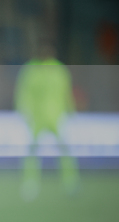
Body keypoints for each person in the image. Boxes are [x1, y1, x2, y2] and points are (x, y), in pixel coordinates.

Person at [14, 41, 79, 201]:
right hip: (36, 117)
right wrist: (24, 111)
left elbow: (66, 92)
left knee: (65, 151)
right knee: (32, 152)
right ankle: (30, 183)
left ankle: (70, 182)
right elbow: (23, 92)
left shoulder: (59, 70)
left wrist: (71, 110)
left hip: (57, 116)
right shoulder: (30, 70)